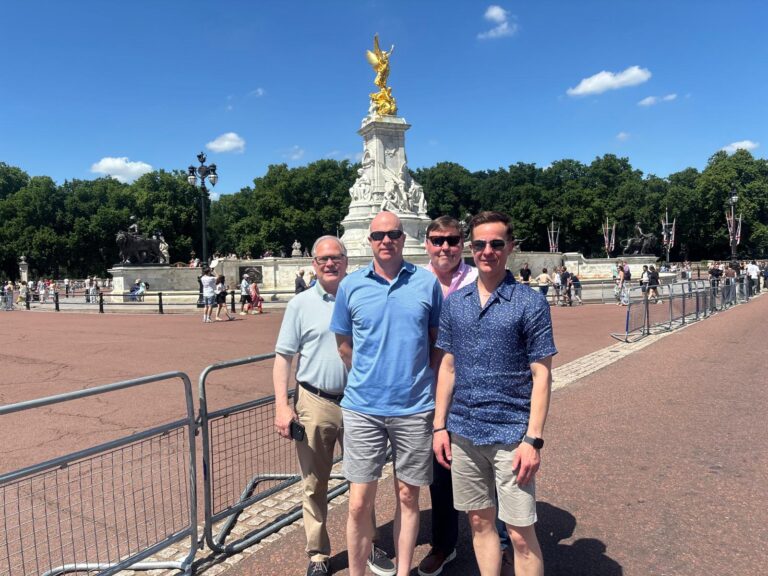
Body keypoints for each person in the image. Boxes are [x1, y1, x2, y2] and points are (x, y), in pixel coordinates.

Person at [433, 211, 557, 576]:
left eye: (496, 244)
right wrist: (440, 426)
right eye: (480, 244)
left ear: (510, 248)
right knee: (479, 522)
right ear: (471, 248)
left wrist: (533, 438)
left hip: (511, 434)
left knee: (519, 534)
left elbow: (542, 374)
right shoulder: (455, 303)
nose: (487, 251)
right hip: (464, 431)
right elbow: (448, 367)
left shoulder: (529, 302)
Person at [274, 236, 394, 576]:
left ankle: (367, 544)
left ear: (346, 261)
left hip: (359, 400)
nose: (330, 263)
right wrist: (282, 405)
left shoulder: (361, 295)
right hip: (315, 400)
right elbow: (283, 358)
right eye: (324, 259)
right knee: (314, 482)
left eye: (336, 258)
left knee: (364, 480)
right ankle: (318, 554)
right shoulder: (300, 304)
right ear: (314, 263)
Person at [330, 211, 442, 576]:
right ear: (369, 239)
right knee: (359, 503)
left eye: (393, 233)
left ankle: (404, 571)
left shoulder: (426, 284)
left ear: (402, 237)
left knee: (409, 496)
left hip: (414, 406)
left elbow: (435, 342)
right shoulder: (351, 286)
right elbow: (344, 345)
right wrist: (372, 374)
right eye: (379, 234)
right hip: (363, 407)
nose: (386, 240)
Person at [419, 216, 478, 576]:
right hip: (428, 391)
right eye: (438, 240)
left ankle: (501, 545)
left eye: (452, 240)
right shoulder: (415, 281)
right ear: (427, 243)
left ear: (462, 243)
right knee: (439, 473)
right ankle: (444, 544)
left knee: (487, 467)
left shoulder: (478, 278)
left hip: (474, 390)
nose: (445, 247)